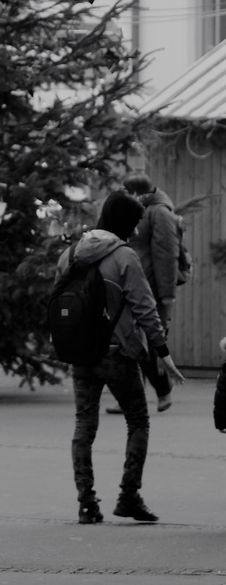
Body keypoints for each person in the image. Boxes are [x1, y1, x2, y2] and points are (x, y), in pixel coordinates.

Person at [56, 190, 185, 525]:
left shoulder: (69, 254)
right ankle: (129, 496)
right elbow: (146, 309)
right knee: (138, 421)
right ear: (125, 223)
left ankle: (86, 504)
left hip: (80, 354)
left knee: (84, 425)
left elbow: (58, 303)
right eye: (135, 223)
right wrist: (163, 353)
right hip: (118, 353)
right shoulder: (125, 257)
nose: (138, 230)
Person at [123, 172, 181, 412]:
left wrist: (166, 295)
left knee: (147, 341)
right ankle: (132, 397)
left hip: (151, 288)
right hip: (135, 282)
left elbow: (167, 256)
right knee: (131, 338)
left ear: (140, 192)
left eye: (128, 191)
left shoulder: (159, 213)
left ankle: (163, 390)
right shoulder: (141, 211)